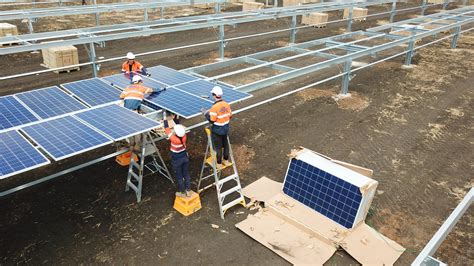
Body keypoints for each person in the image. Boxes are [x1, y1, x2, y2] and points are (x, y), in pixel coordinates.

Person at [204, 86, 232, 168]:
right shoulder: (227, 104)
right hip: (226, 128)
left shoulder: (214, 107)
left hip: (217, 130)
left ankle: (219, 164)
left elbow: (212, 120)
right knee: (226, 145)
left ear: (214, 95)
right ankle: (226, 160)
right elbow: (230, 115)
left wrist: (206, 114)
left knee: (218, 147)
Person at [164, 121, 191, 198]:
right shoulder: (184, 136)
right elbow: (179, 131)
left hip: (176, 159)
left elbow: (167, 129)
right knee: (186, 174)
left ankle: (182, 192)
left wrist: (165, 120)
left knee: (179, 176)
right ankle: (188, 190)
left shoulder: (174, 139)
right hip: (185, 157)